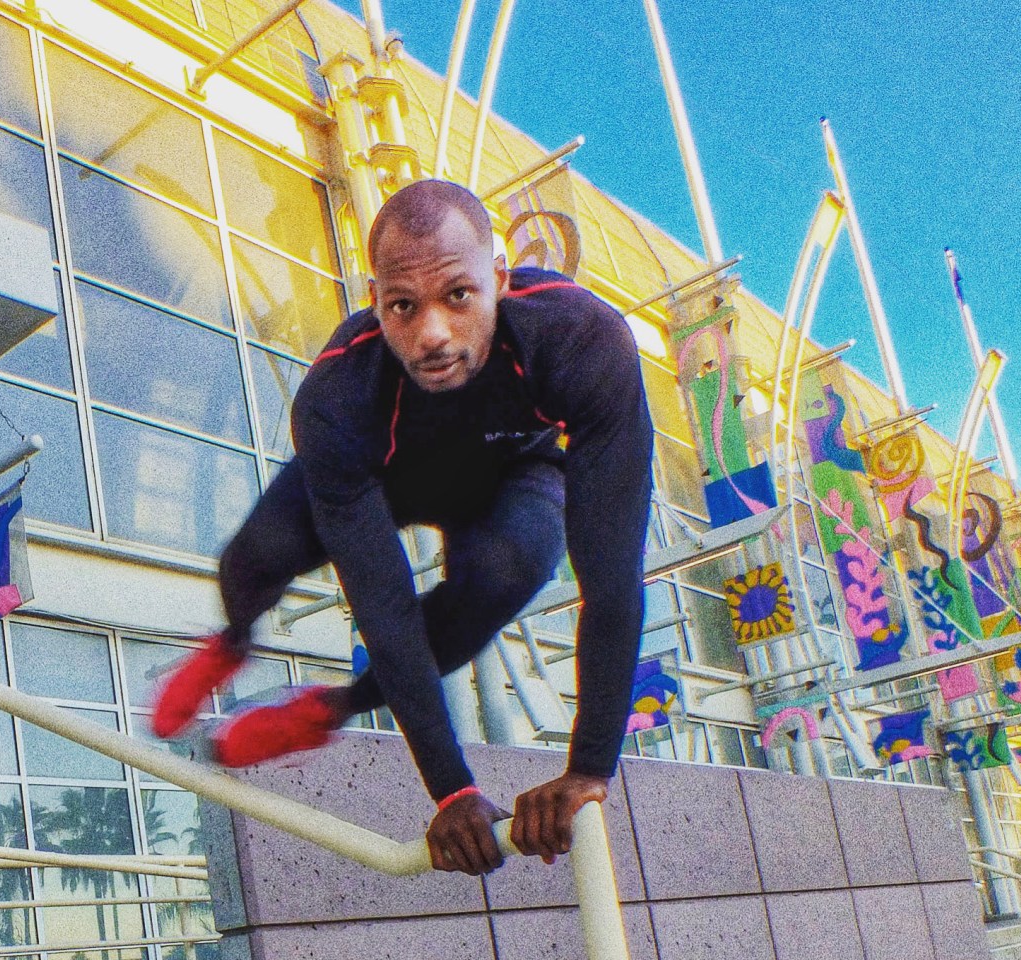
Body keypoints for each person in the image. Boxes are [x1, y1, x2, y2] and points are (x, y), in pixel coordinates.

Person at [151, 179, 653, 876]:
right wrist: (453, 789)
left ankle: (328, 708)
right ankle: (231, 642)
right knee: (251, 557)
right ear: (375, 302)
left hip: (512, 474)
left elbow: (612, 583)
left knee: (503, 574)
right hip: (383, 474)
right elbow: (383, 609)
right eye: (402, 307)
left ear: (501, 279)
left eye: (459, 296)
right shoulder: (337, 395)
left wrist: (589, 768)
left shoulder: (581, 340)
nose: (433, 335)